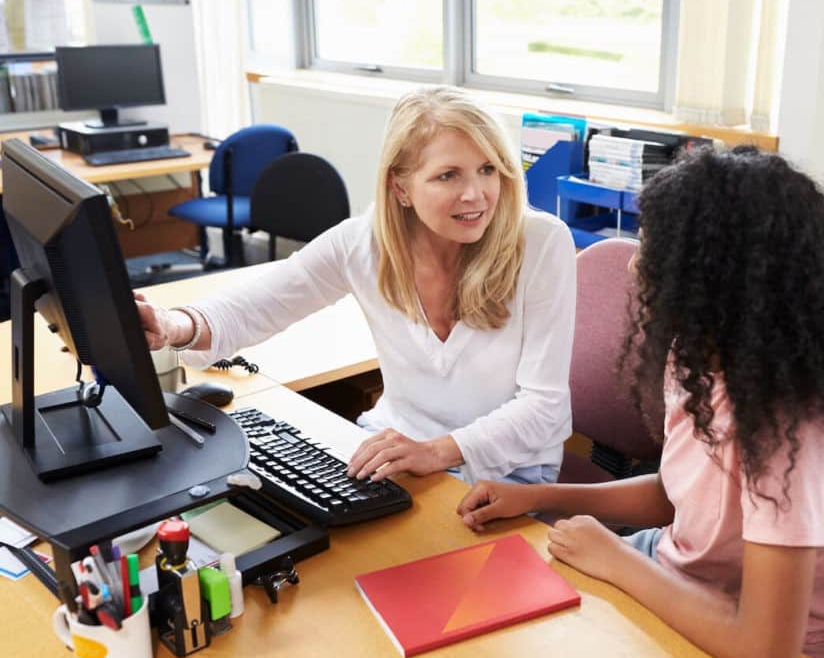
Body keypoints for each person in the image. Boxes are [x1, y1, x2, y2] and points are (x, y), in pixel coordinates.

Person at [456, 147, 824, 658]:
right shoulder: (699, 356)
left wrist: (617, 560)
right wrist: (539, 496)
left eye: (655, 248)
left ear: (717, 274)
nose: (635, 262)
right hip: (675, 575)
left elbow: (765, 653)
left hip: (754, 646)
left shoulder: (791, 425)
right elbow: (681, 499)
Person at [136, 86, 576, 485]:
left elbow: (545, 408)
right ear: (400, 187)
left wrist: (438, 452)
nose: (476, 194)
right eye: (449, 175)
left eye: (488, 170)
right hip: (396, 449)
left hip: (508, 472)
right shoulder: (364, 243)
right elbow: (255, 307)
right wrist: (173, 325)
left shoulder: (540, 243)